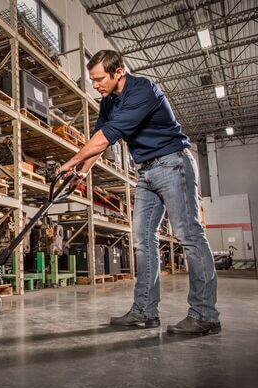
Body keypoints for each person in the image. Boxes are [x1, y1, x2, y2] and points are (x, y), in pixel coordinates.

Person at [58, 50, 220, 335]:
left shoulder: (143, 90)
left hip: (173, 164)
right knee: (143, 241)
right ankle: (145, 310)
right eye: (93, 80)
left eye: (98, 79)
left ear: (118, 71)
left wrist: (69, 162)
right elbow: (100, 140)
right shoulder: (109, 102)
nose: (95, 85)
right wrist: (81, 172)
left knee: (189, 235)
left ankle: (205, 315)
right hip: (146, 172)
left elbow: (108, 136)